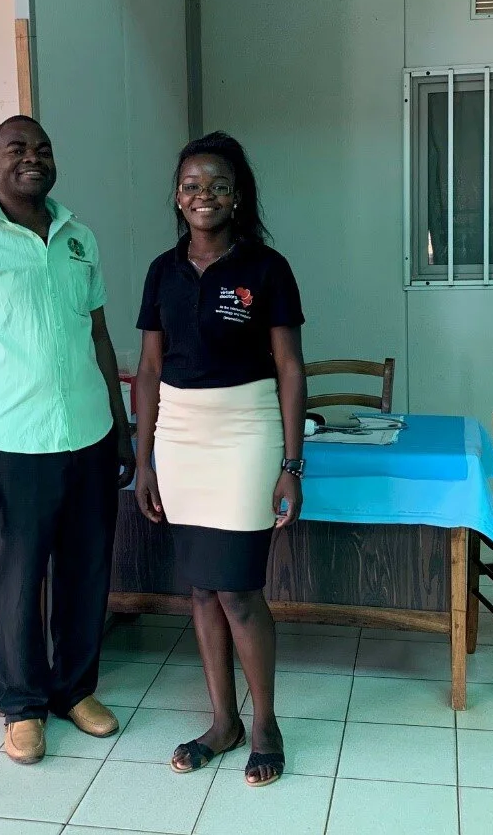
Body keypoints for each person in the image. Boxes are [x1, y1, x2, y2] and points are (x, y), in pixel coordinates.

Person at [0, 115, 135, 765]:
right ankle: (21, 706)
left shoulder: (79, 240)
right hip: (12, 448)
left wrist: (121, 425)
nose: (32, 157)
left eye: (42, 148)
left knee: (85, 571)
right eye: (15, 149)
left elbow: (97, 336)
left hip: (88, 438)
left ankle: (74, 688)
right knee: (16, 580)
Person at [134, 131, 306, 788]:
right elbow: (148, 369)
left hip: (244, 429)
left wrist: (292, 463)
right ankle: (221, 720)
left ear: (237, 197)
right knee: (200, 586)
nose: (202, 195)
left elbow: (289, 367)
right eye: (190, 185)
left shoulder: (266, 268)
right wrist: (143, 455)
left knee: (237, 587)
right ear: (177, 198)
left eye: (217, 185)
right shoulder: (161, 270)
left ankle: (264, 722)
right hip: (178, 433)